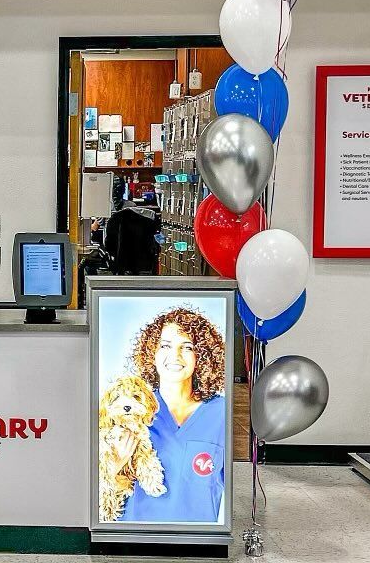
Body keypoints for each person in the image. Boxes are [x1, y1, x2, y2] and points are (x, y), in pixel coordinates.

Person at [114, 307, 227, 523]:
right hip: (135, 539)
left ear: (202, 356)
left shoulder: (220, 413)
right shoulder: (130, 410)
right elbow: (98, 483)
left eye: (187, 347)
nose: (174, 356)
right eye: (165, 346)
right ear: (152, 354)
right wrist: (117, 461)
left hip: (198, 543)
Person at [103, 175, 160, 275]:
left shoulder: (106, 209)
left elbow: (106, 242)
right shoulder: (133, 207)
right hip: (138, 255)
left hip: (115, 254)